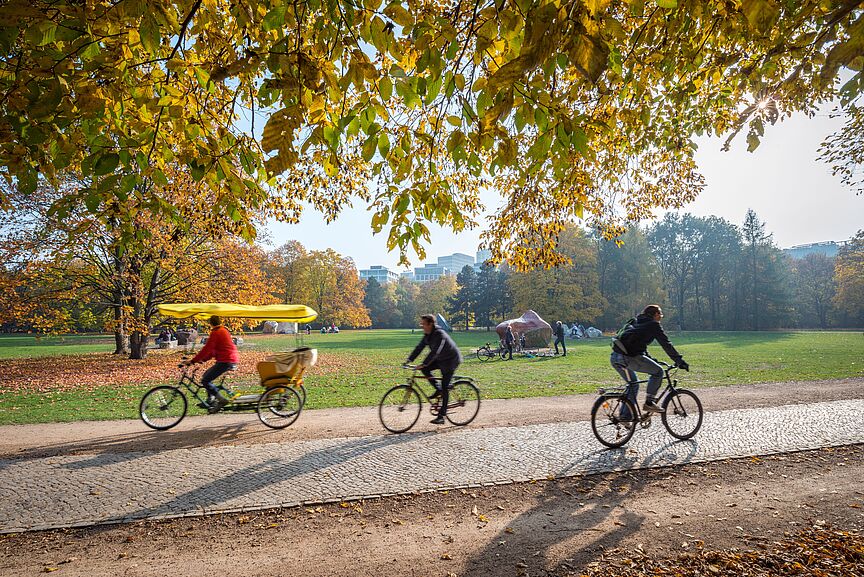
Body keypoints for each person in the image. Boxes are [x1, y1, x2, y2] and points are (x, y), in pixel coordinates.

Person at [610, 304, 689, 417]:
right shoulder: (653, 325)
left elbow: (638, 344)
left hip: (615, 357)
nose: (661, 316)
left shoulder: (637, 321)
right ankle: (649, 402)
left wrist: (652, 359)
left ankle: (625, 417)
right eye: (660, 314)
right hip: (629, 358)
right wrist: (679, 361)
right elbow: (666, 344)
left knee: (633, 385)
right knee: (658, 372)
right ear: (655, 314)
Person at [406, 314, 463, 425]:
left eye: (423, 324)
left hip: (451, 360)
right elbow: (419, 347)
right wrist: (409, 359)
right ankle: (438, 389)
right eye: (421, 324)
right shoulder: (427, 335)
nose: (422, 326)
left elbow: (435, 351)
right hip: (441, 359)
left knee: (445, 386)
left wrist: (424, 363)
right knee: (425, 370)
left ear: (430, 324)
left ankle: (441, 416)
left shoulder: (439, 334)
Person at [181, 315, 239, 411]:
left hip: (226, 361)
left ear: (210, 323)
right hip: (229, 359)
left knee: (205, 380)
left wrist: (192, 361)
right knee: (206, 376)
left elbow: (207, 348)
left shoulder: (216, 332)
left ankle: (221, 400)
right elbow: (213, 351)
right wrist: (202, 360)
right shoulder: (223, 330)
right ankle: (211, 399)